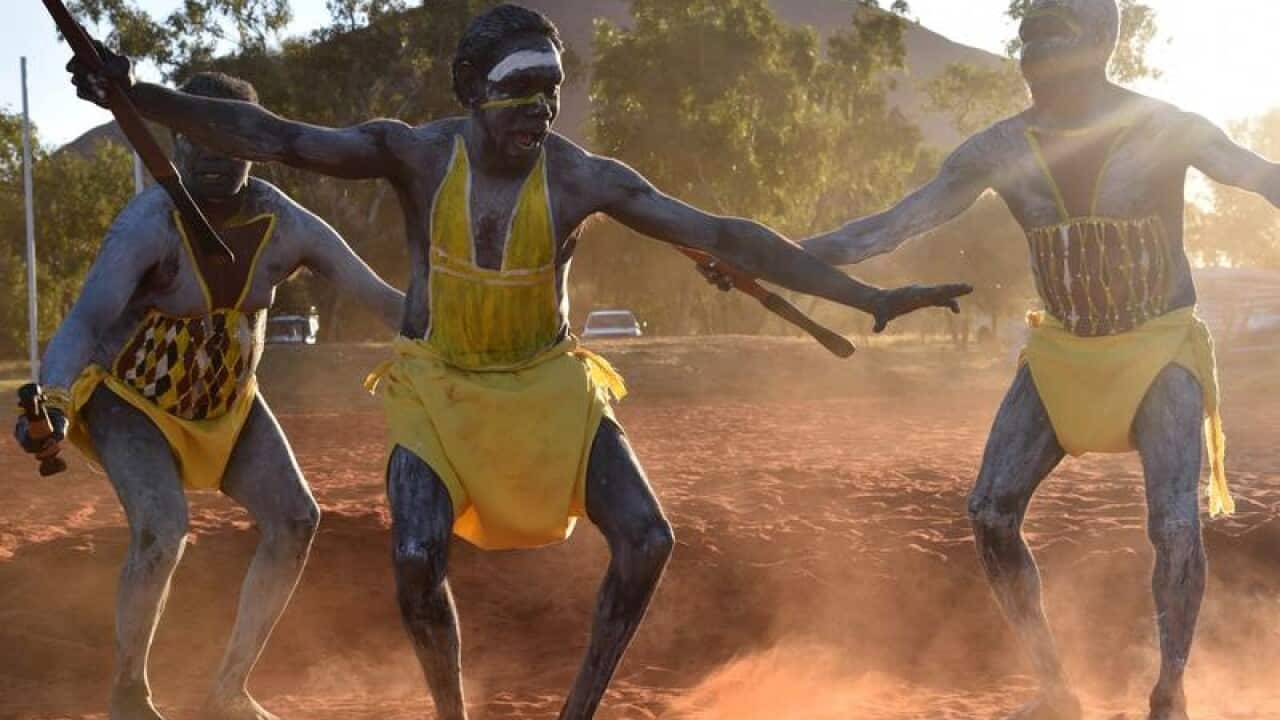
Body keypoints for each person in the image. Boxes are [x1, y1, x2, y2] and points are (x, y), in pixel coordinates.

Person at [65, 6, 971, 717]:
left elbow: (729, 234)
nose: (539, 109)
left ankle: (577, 712)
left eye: (552, 92)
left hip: (550, 389)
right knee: (415, 558)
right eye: (520, 89)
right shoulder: (415, 154)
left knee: (649, 540)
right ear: (471, 91)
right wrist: (137, 94)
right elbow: (276, 136)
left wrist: (866, 296)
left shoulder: (581, 178)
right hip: (441, 390)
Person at [709, 1, 1278, 717]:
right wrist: (765, 257)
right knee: (989, 512)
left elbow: (1261, 176)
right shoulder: (1000, 149)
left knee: (1173, 523)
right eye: (1029, 39)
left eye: (1056, 35)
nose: (1037, 50)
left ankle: (1170, 692)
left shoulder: (1167, 127)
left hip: (1159, 348)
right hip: (1062, 353)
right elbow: (887, 229)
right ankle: (1054, 690)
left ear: (1102, 40)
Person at [15, 72, 404, 720]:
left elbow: (382, 299)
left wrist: (467, 324)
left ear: (258, 144)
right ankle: (129, 694)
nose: (216, 155)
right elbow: (86, 320)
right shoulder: (148, 226)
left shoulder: (285, 223)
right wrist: (52, 399)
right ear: (176, 141)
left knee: (296, 520)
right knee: (163, 528)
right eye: (200, 138)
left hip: (230, 404)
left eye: (232, 141)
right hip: (131, 402)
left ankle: (228, 690)